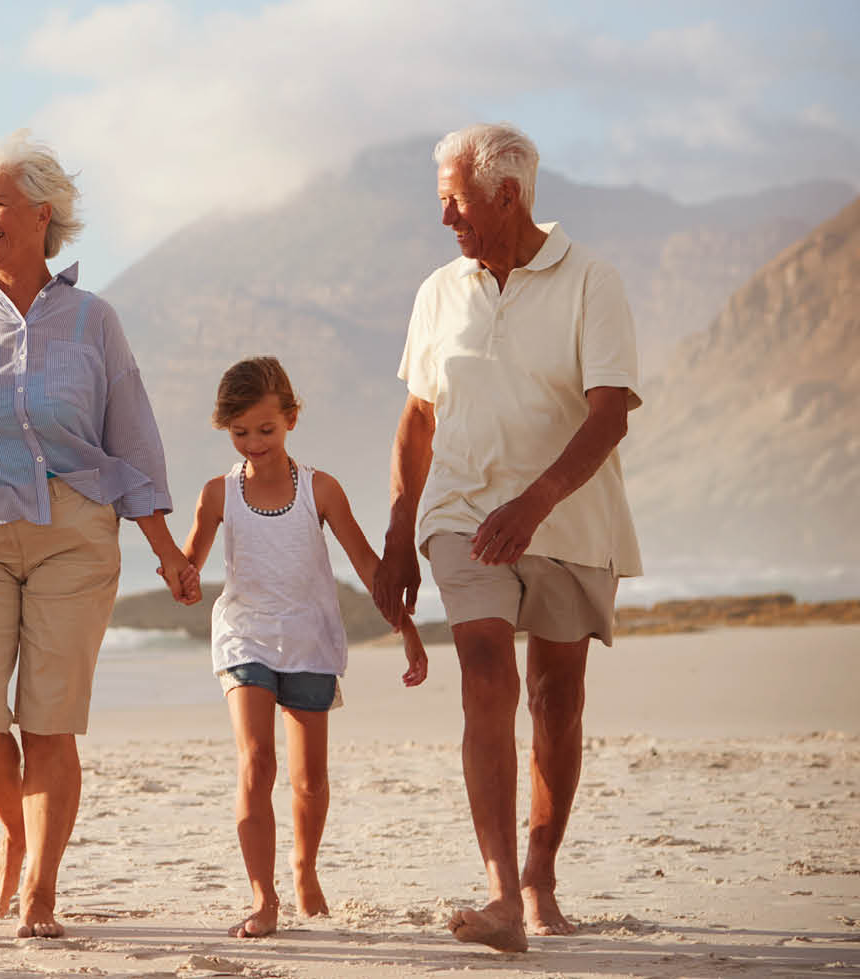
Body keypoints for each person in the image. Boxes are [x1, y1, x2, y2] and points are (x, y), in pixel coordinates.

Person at [0, 129, 197, 939]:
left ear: (42, 214)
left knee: (48, 721)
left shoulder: (94, 320)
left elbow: (134, 440)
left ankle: (41, 891)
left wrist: (167, 550)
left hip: (74, 535)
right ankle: (17, 833)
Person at [372, 122, 642, 954]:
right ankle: (499, 896)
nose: (445, 219)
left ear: (508, 196)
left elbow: (609, 415)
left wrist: (534, 503)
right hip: (461, 511)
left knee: (557, 700)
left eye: (456, 202)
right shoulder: (438, 291)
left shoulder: (591, 280)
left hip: (569, 518)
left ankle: (538, 875)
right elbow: (419, 420)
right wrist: (398, 529)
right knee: (486, 672)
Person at [176, 356, 430, 939]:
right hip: (245, 636)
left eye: (266, 429)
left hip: (310, 639)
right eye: (240, 432)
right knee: (256, 761)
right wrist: (181, 578)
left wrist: (408, 629)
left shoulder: (321, 489)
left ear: (291, 418)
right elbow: (189, 564)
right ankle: (263, 897)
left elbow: (367, 565)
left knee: (310, 781)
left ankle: (304, 868)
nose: (254, 443)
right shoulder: (218, 494)